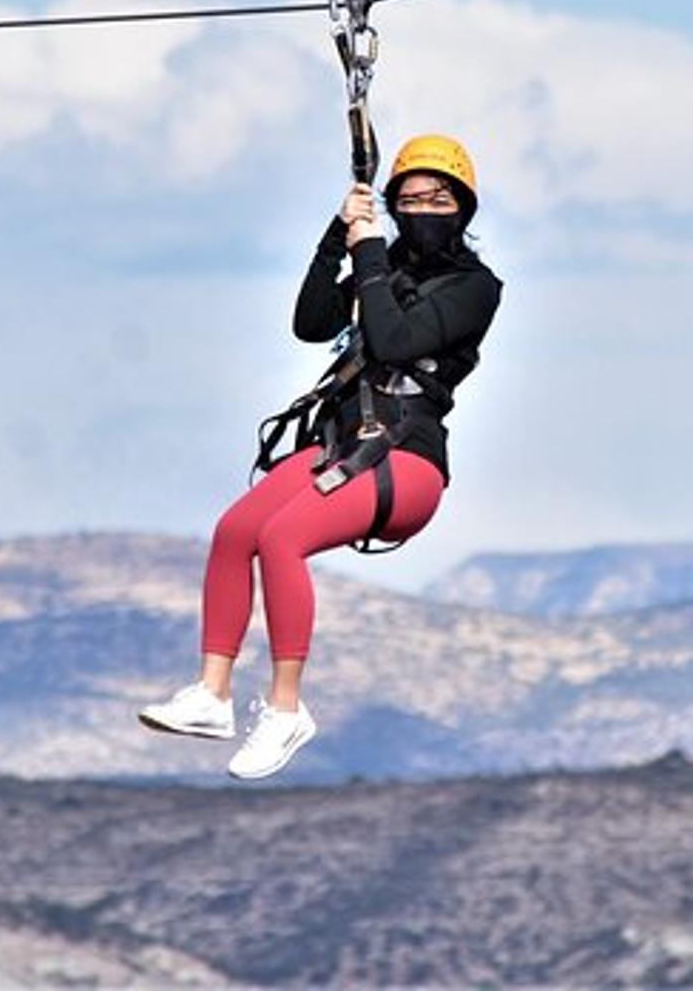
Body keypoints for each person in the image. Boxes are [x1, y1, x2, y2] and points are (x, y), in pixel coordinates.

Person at [137, 134, 504, 779]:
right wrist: (337, 237)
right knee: (235, 531)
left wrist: (366, 253)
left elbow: (393, 343)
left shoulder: (474, 288)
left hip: (407, 462)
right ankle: (212, 694)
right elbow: (311, 323)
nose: (422, 210)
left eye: (437, 199)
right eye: (409, 200)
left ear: (462, 209)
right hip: (344, 444)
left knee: (282, 539)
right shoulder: (381, 266)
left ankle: (285, 710)